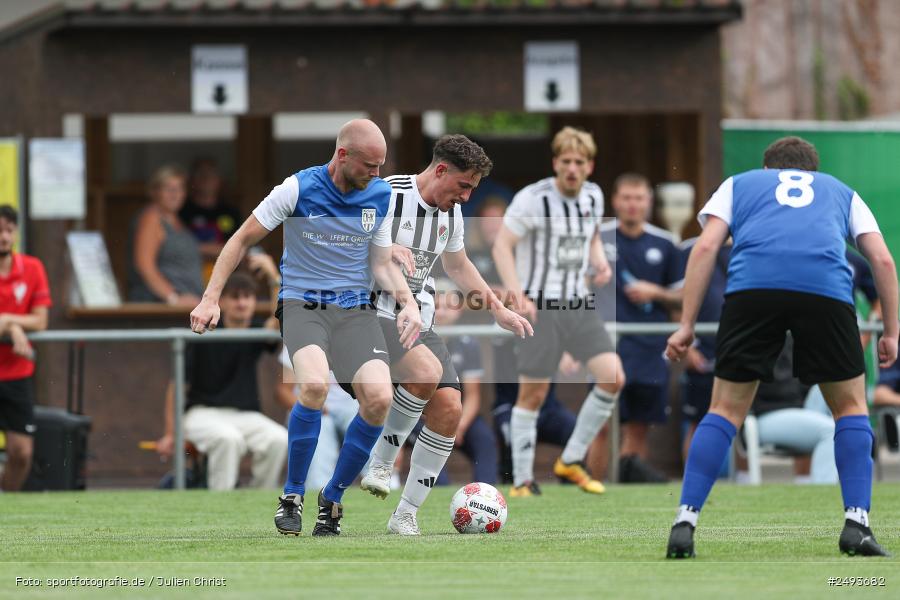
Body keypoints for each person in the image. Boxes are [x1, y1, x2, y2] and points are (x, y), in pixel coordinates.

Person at [665, 136, 898, 558]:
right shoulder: (840, 191)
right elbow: (882, 260)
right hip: (825, 289)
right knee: (849, 408)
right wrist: (892, 333)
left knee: (724, 410)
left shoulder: (741, 183)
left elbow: (704, 248)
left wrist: (685, 326)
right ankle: (857, 525)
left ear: (767, 170)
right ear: (814, 170)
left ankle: (685, 521)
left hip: (754, 287)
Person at [190, 119, 422, 537]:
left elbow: (381, 262)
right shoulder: (298, 189)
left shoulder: (381, 194)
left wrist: (408, 304)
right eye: (369, 165)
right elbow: (241, 239)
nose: (376, 173)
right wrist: (210, 298)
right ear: (342, 155)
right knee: (313, 386)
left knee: (379, 399)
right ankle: (292, 496)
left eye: (381, 165)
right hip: (303, 305)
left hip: (355, 312)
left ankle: (331, 500)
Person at [358, 135, 531, 535]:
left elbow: (458, 265)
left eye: (472, 188)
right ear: (440, 170)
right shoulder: (386, 195)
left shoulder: (450, 214)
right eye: (464, 185)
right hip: (372, 313)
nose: (467, 197)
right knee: (424, 371)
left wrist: (497, 308)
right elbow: (357, 247)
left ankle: (405, 516)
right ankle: (382, 461)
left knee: (450, 409)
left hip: (420, 318)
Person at [492, 126, 625, 497]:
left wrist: (599, 262)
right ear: (555, 163)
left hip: (578, 304)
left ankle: (570, 459)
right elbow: (503, 246)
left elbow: (592, 237)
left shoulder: (594, 197)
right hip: (540, 306)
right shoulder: (533, 199)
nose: (571, 168)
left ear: (589, 166)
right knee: (532, 394)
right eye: (565, 161)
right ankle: (521, 481)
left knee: (613, 377)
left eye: (579, 162)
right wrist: (517, 295)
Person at [157, 269, 286, 490]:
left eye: (248, 297)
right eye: (235, 297)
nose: (242, 303)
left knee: (279, 439)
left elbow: (277, 320)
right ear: (222, 301)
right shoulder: (203, 332)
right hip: (201, 414)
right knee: (228, 439)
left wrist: (273, 276)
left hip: (246, 416)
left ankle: (259, 502)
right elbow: (177, 385)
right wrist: (171, 433)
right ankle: (221, 506)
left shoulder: (255, 333)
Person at [602, 173, 683, 483]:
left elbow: (683, 296)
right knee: (602, 422)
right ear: (615, 200)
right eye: (626, 197)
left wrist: (656, 292)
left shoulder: (665, 243)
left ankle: (626, 486)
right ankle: (594, 484)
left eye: (639, 198)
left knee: (638, 423)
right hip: (607, 344)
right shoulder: (598, 238)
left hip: (650, 346)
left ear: (649, 202)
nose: (632, 204)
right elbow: (579, 290)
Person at [0, 205, 51, 491]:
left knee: (21, 453)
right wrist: (15, 326)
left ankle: (7, 503)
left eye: (9, 230)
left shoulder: (32, 268)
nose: (4, 237)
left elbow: (41, 320)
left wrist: (8, 320)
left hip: (17, 372)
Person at [677, 236, 730, 460]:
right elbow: (676, 298)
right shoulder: (690, 248)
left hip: (741, 345)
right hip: (703, 352)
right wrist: (687, 344)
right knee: (698, 421)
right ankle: (692, 481)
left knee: (743, 420)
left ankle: (746, 482)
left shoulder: (753, 242)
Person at [129, 165, 204, 305]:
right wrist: (173, 297)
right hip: (161, 307)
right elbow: (144, 266)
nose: (175, 194)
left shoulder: (176, 220)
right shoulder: (151, 218)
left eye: (180, 188)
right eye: (169, 189)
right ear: (155, 192)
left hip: (187, 305)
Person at [180, 158, 243, 261]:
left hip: (225, 271)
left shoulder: (231, 212)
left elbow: (239, 248)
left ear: (219, 180)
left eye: (211, 174)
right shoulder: (182, 211)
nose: (206, 178)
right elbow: (179, 248)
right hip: (188, 270)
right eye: (201, 174)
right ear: (192, 180)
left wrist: (198, 248)